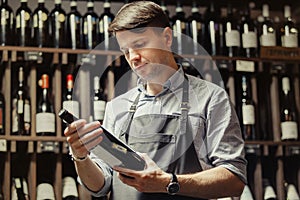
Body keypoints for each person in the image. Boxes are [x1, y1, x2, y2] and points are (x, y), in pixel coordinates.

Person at [64, 1, 247, 199]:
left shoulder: (211, 98)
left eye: (140, 45)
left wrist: (168, 183)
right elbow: (101, 184)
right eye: (125, 51)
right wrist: (80, 156)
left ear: (167, 38)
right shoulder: (117, 107)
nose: (133, 57)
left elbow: (233, 180)